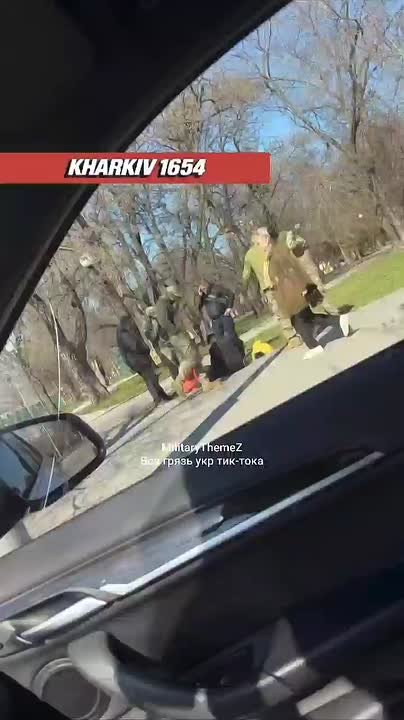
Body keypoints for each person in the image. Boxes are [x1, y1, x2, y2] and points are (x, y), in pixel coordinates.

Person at [267, 233, 350, 359]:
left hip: (293, 295)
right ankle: (337, 321)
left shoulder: (277, 256)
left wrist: (303, 287)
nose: (259, 247)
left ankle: (314, 346)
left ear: (267, 240)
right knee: (308, 318)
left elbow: (292, 272)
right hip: (293, 294)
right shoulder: (276, 255)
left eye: (258, 243)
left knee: (298, 322)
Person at [242, 227, 302, 348]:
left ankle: (292, 337)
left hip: (268, 287)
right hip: (282, 280)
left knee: (280, 312)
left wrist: (244, 288)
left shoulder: (249, 255)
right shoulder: (270, 246)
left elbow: (246, 275)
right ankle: (304, 327)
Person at [154, 285, 217, 396]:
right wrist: (176, 330)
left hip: (178, 333)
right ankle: (179, 381)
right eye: (175, 297)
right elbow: (164, 322)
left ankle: (204, 381)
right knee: (191, 356)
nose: (176, 299)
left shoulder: (168, 303)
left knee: (194, 356)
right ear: (170, 295)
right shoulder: (162, 304)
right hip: (175, 335)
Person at [280, 225, 338, 314]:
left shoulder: (287, 238)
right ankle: (329, 310)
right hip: (306, 266)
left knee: (314, 290)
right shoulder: (289, 235)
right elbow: (291, 245)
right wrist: (298, 240)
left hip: (303, 267)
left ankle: (325, 310)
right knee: (317, 287)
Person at [116, 316, 172, 406]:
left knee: (151, 378)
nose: (132, 323)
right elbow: (135, 346)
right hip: (138, 361)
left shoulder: (125, 333)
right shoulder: (124, 335)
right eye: (130, 321)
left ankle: (161, 396)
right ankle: (158, 398)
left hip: (138, 360)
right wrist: (145, 348)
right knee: (151, 378)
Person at [198, 282, 245, 379]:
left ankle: (240, 358)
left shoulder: (216, 288)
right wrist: (200, 296)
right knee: (220, 343)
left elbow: (230, 294)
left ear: (207, 285)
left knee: (230, 338)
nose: (204, 291)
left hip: (224, 316)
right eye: (202, 289)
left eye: (204, 288)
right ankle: (229, 363)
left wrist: (229, 308)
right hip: (215, 321)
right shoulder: (204, 297)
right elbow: (199, 307)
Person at [143, 306, 179, 380]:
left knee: (177, 359)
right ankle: (177, 379)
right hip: (160, 347)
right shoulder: (146, 326)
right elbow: (152, 338)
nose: (156, 313)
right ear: (149, 315)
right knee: (171, 365)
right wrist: (155, 327)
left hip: (168, 342)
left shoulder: (159, 319)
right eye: (153, 312)